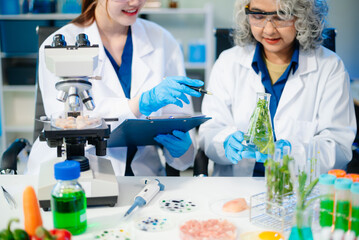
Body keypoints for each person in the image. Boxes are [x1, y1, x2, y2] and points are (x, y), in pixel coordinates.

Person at [26, 0, 204, 176]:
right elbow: (66, 125)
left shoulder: (163, 41)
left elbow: (182, 150)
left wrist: (182, 150)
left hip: (144, 176)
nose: (135, 2)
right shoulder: (58, 47)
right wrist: (137, 105)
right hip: (74, 170)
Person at [199, 0, 356, 176]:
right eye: (258, 15)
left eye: (282, 16)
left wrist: (292, 152)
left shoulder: (330, 67)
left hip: (299, 190)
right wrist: (224, 142)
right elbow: (209, 132)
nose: (269, 30)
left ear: (303, 16)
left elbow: (338, 146)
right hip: (237, 188)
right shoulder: (227, 63)